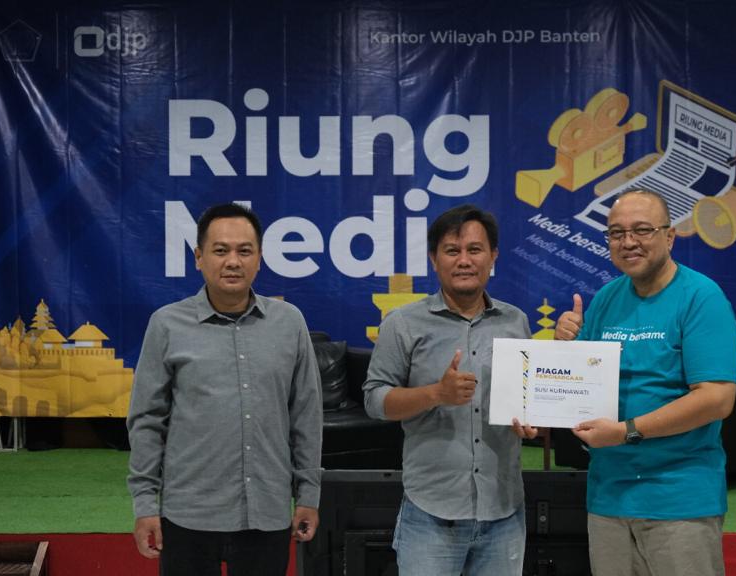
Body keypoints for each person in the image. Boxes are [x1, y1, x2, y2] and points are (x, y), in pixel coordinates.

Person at [127, 203, 323, 575]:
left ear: (259, 259)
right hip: (187, 516)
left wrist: (308, 494)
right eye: (220, 250)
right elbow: (146, 422)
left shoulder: (289, 323)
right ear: (199, 257)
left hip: (266, 514)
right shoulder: (167, 325)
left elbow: (306, 416)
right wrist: (145, 504)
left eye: (244, 251)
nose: (233, 261)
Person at [554, 189, 736, 576]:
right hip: (609, 497)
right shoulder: (606, 299)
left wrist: (626, 431)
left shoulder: (701, 298)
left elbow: (717, 399)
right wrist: (564, 350)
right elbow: (582, 389)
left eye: (642, 230)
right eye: (616, 233)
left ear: (669, 237)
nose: (628, 242)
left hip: (678, 500)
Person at [363, 204, 533, 576]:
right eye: (452, 251)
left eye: (475, 250)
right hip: (431, 514)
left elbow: (528, 399)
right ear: (434, 259)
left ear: (493, 257)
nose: (464, 260)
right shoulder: (403, 323)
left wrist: (531, 420)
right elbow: (375, 400)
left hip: (503, 512)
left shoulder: (516, 321)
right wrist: (436, 394)